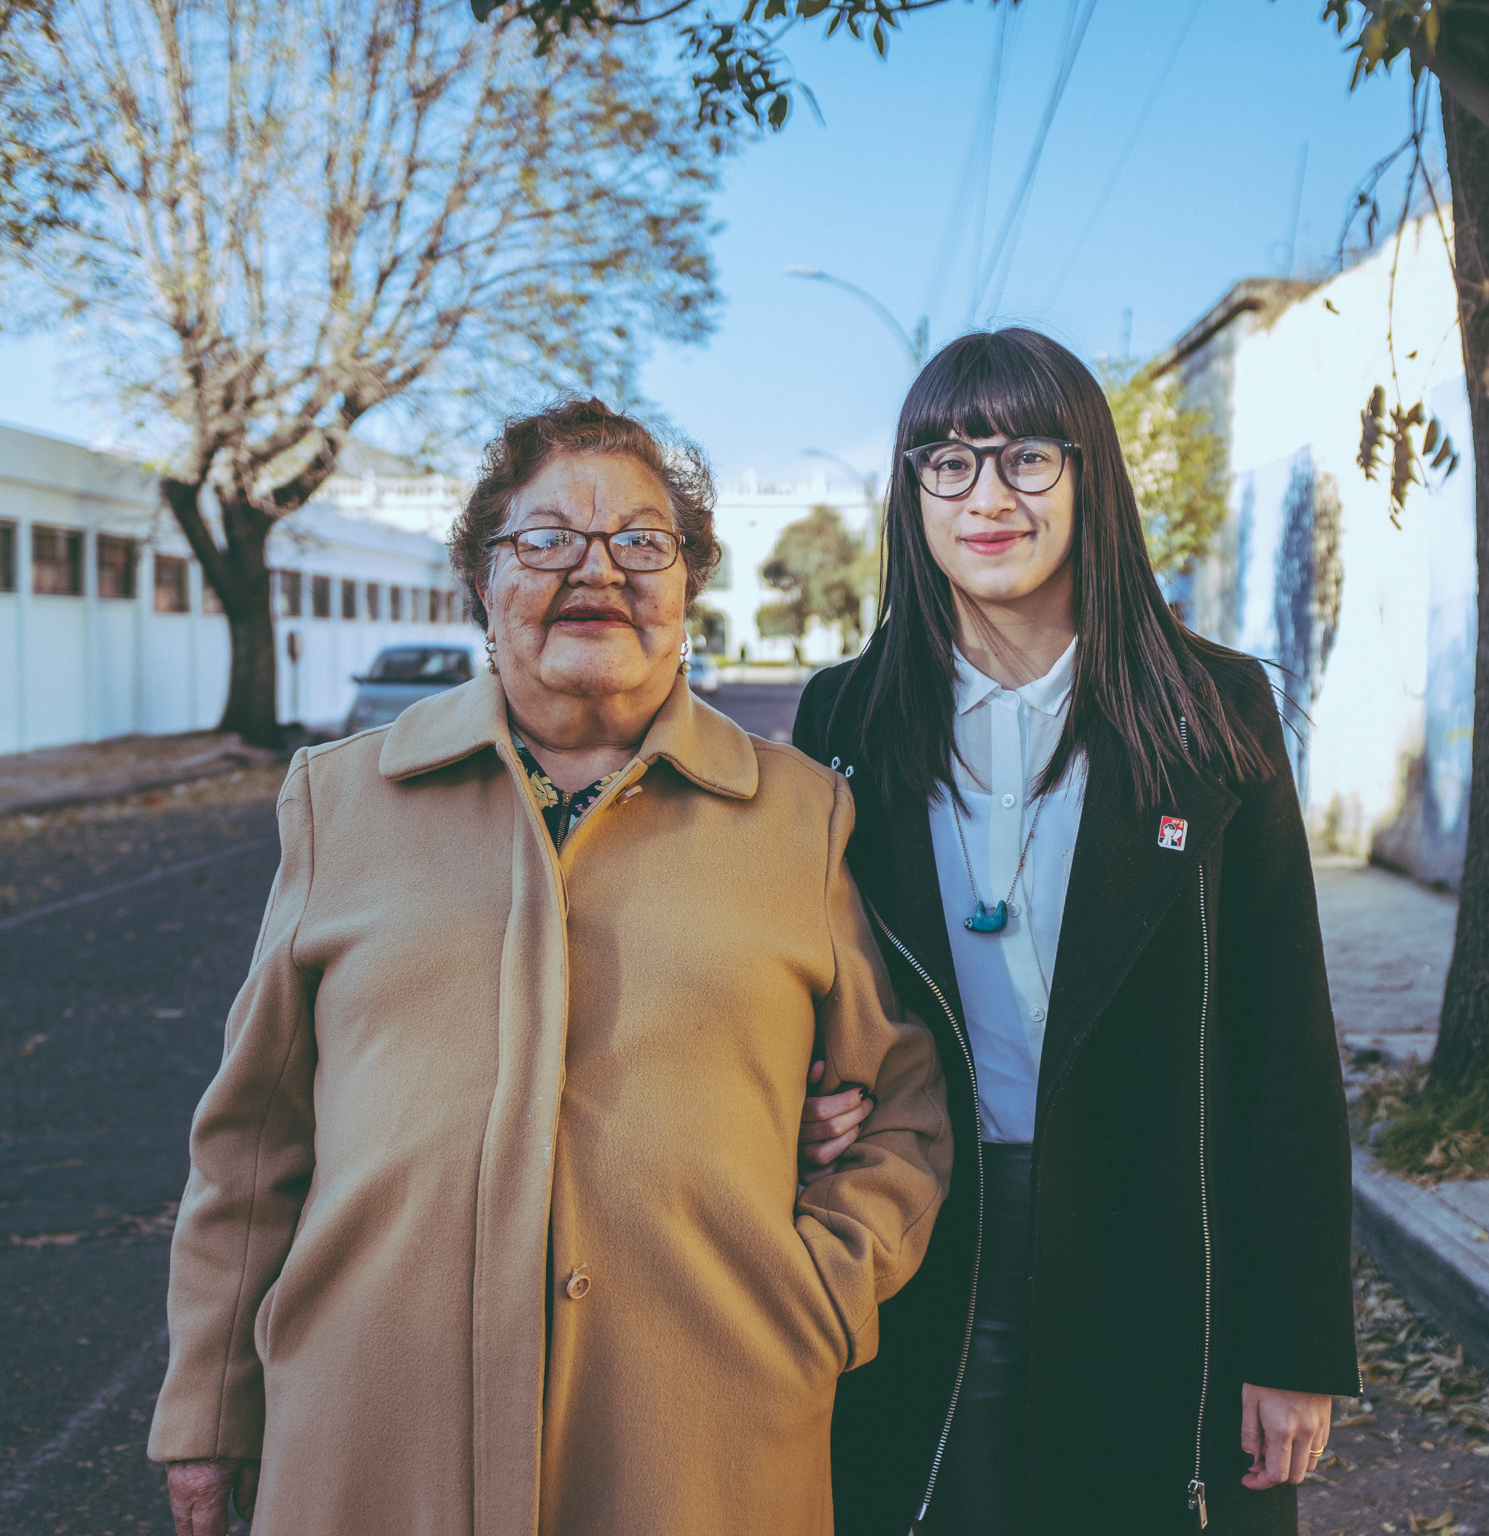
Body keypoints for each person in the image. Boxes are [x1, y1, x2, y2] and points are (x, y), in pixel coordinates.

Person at [148, 398, 953, 1536]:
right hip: (369, 1439)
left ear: (687, 587)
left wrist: (816, 1298)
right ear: (482, 580)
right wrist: (207, 1411)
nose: (597, 569)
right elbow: (252, 1142)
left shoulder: (801, 815)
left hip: (702, 1449)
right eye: (545, 539)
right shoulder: (341, 801)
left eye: (642, 541)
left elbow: (904, 1114)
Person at [791, 329, 1359, 1534]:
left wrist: (1295, 1339)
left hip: (1158, 1245)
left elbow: (1286, 1047)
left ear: (1088, 474)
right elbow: (790, 985)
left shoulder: (1214, 709)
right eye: (945, 461)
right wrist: (791, 1097)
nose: (985, 495)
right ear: (910, 496)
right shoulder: (845, 715)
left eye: (1025, 456)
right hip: (917, 1238)